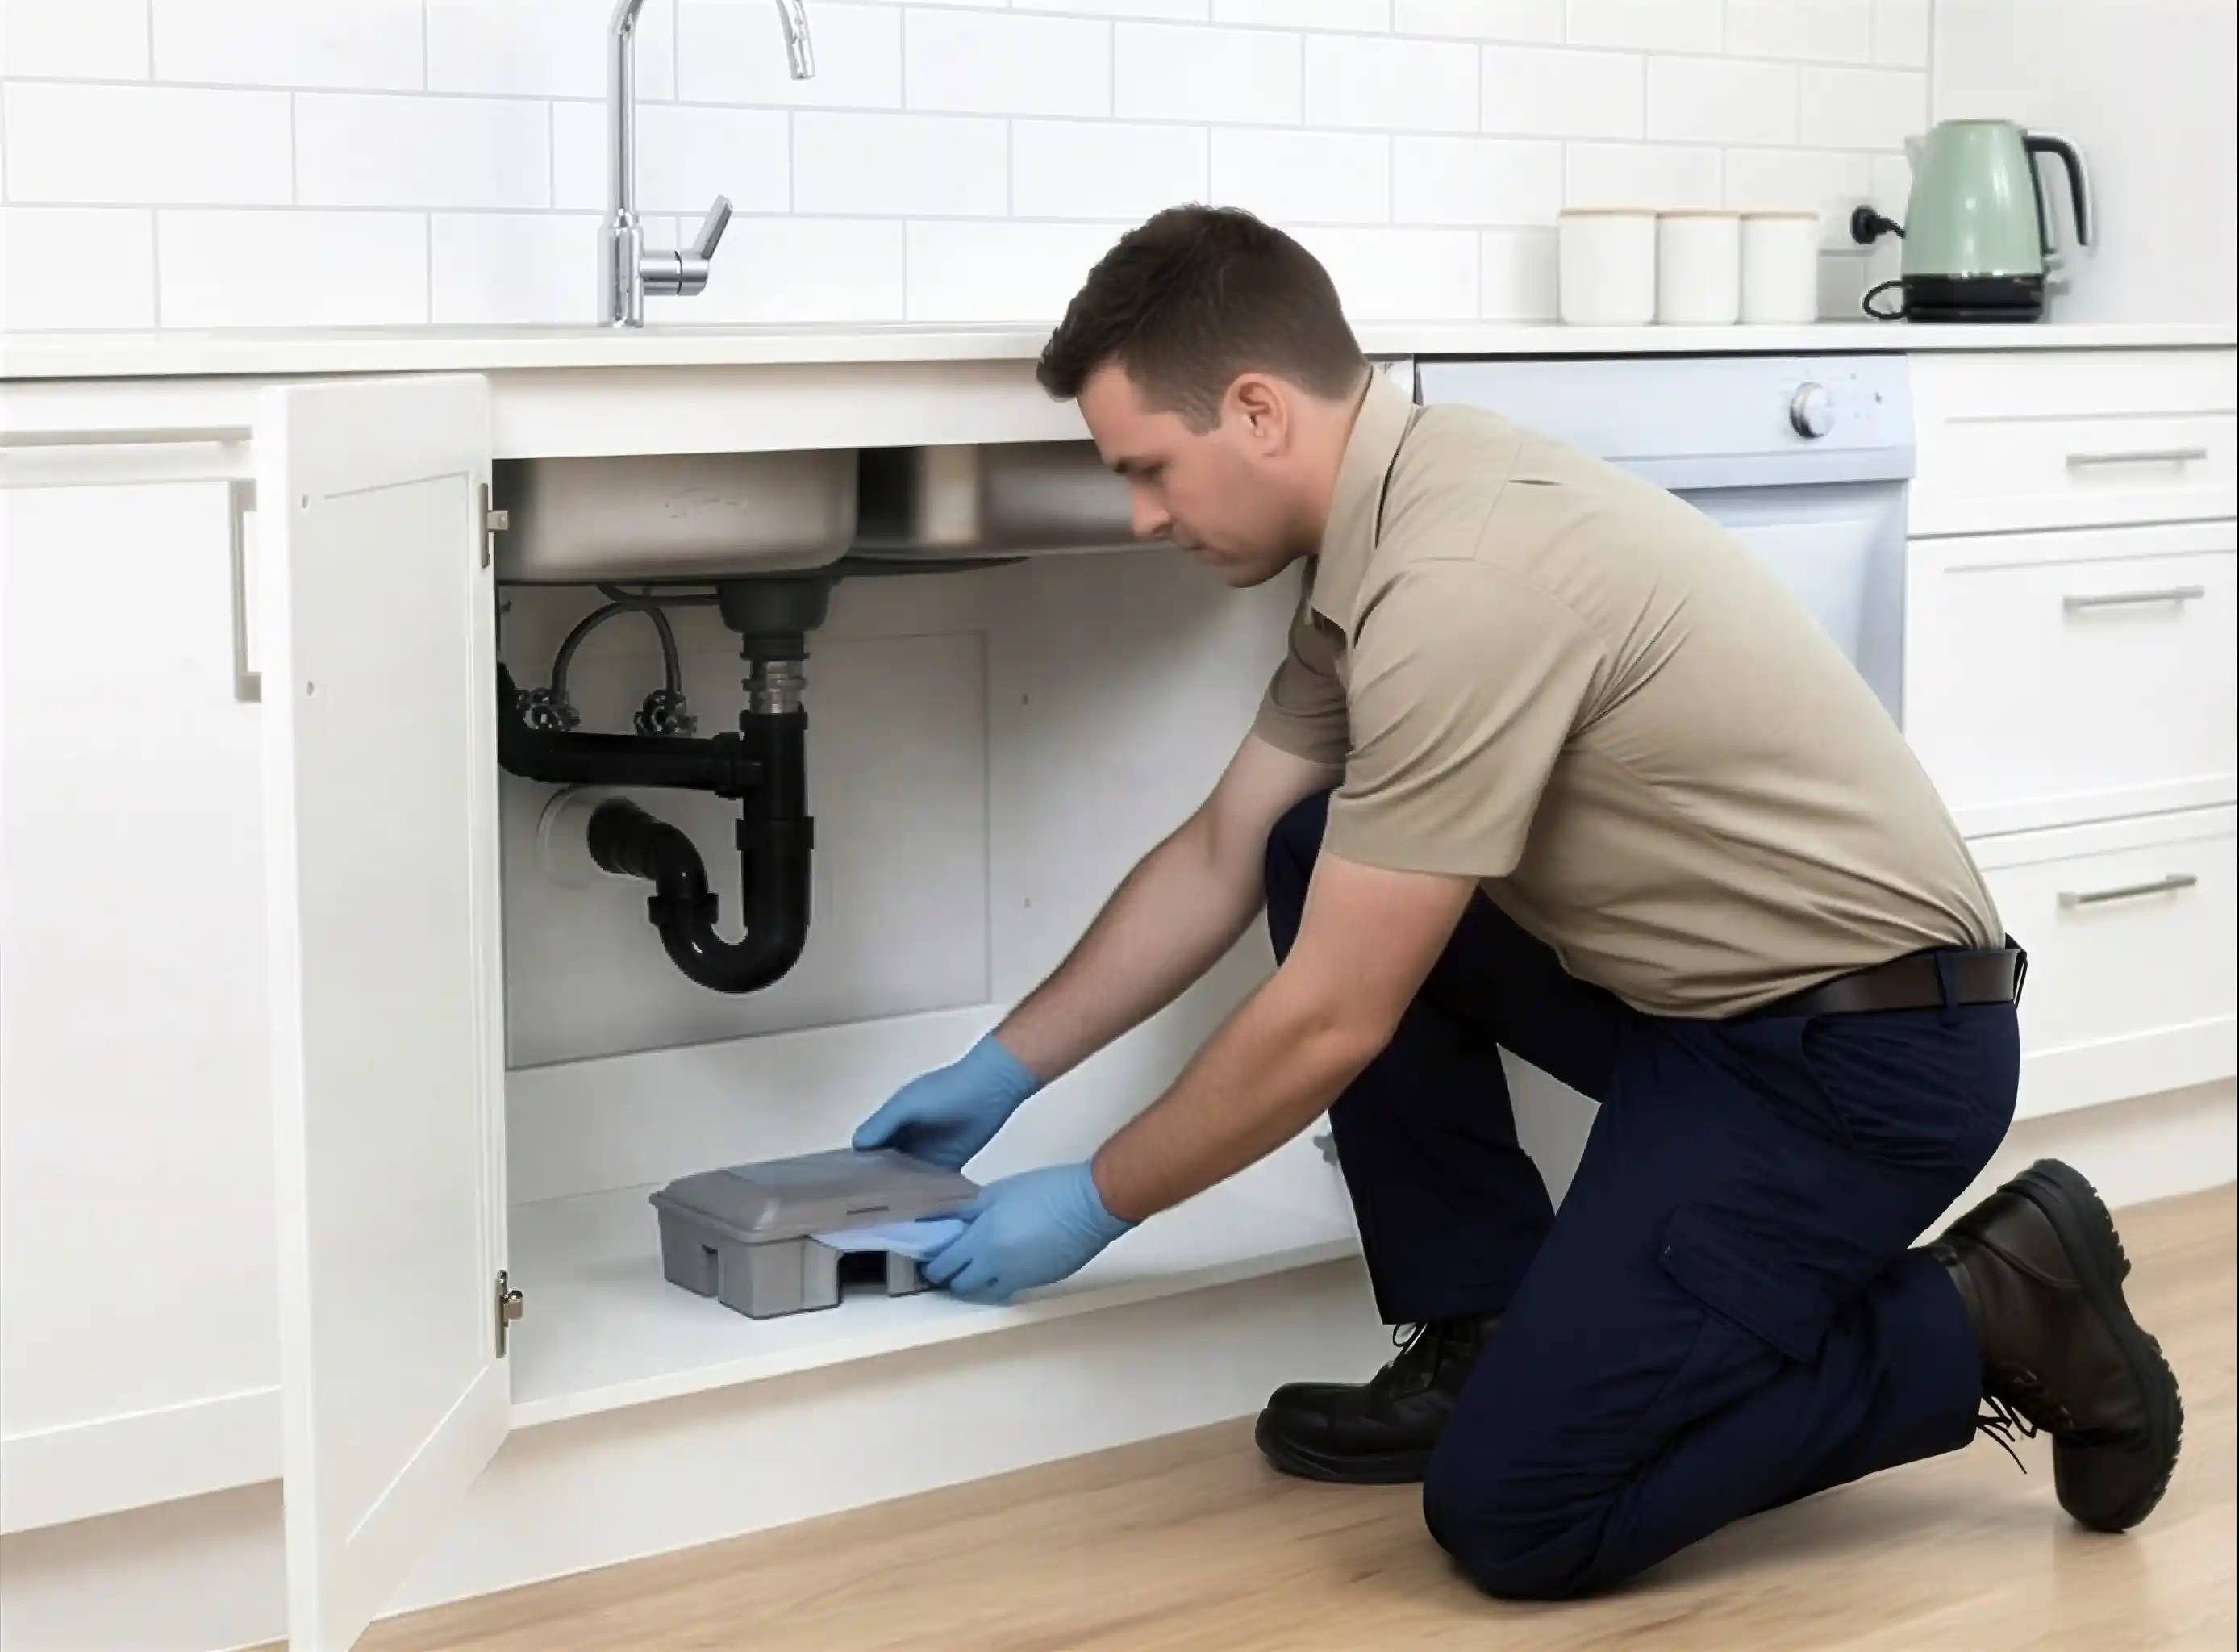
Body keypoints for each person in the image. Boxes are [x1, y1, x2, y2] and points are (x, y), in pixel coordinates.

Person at [851, 206, 2183, 1599]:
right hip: (1712, 1015)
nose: (1141, 514)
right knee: (1314, 846)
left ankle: (1989, 1309)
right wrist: (1002, 1067)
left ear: (1255, 409)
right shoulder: (1383, 539)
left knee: (1518, 1512)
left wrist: (1092, 1202)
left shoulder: (1458, 580)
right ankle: (1484, 1331)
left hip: (1862, 1062)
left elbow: (1328, 1024)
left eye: (1148, 468)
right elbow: (1223, 853)